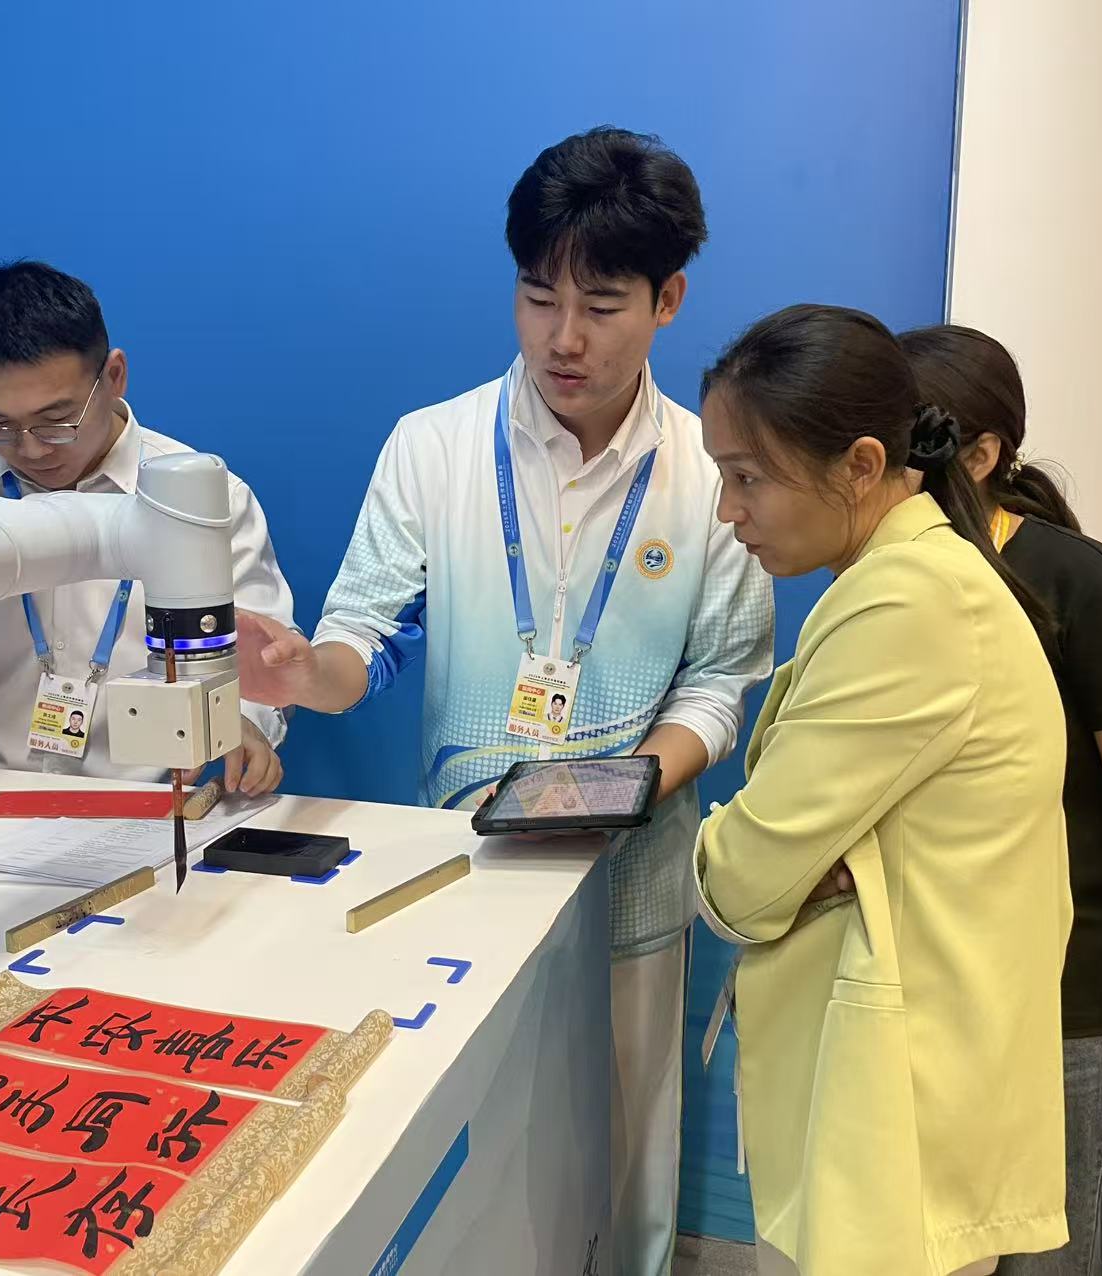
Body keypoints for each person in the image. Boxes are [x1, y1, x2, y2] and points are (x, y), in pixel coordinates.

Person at [235, 128, 774, 1275]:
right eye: (537, 298)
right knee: (480, 1157)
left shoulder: (707, 470)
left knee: (630, 1152)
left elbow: (722, 678)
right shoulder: (433, 448)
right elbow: (366, 640)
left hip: (635, 877)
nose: (562, 337)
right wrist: (303, 674)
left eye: (602, 305)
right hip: (467, 875)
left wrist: (632, 784)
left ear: (668, 300)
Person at [693, 304, 1072, 1276]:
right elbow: (782, 859)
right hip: (897, 1097)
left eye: (747, 477)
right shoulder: (907, 576)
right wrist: (805, 863)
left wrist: (748, 858)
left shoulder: (910, 601)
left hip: (899, 1120)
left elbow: (742, 879)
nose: (728, 511)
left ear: (863, 465)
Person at [900, 324, 1102, 1275]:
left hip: (1066, 1019)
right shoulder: (892, 585)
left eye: (904, 442)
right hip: (929, 1002)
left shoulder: (1087, 590)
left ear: (981, 455)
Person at [0, 261, 294, 795]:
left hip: (151, 796)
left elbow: (267, 648)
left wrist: (244, 721)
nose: (30, 448)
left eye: (56, 421)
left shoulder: (207, 500)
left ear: (114, 377)